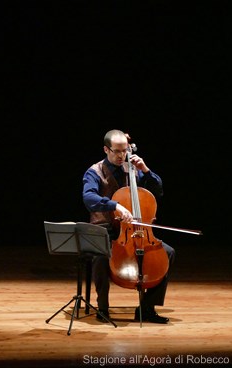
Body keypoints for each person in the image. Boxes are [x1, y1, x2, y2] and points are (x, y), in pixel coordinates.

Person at [82, 129, 175, 324]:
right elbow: (89, 197)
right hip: (105, 228)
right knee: (100, 257)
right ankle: (103, 309)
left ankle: (147, 308)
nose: (122, 155)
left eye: (125, 150)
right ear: (106, 149)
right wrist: (114, 205)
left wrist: (146, 170)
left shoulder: (132, 169)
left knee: (168, 252)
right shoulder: (95, 171)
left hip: (134, 232)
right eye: (117, 151)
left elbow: (157, 190)